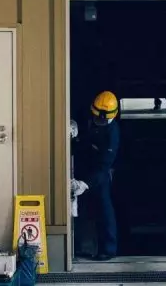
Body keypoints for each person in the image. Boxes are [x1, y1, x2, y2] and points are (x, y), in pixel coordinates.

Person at [71, 91, 120, 261]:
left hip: (99, 172)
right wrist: (73, 124)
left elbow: (104, 165)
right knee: (80, 209)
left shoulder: (112, 134)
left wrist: (85, 184)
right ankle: (80, 247)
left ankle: (108, 249)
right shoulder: (88, 112)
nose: (98, 122)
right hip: (82, 161)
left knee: (103, 208)